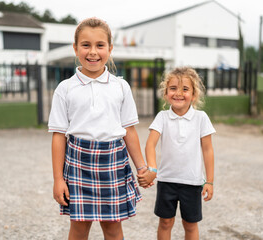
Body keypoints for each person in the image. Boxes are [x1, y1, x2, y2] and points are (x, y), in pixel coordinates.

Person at [48, 17, 147, 240]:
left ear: (110, 49)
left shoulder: (121, 86)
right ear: (75, 48)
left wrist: (141, 167)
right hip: (78, 164)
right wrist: (58, 179)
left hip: (112, 162)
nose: (93, 52)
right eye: (86, 45)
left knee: (112, 228)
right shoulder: (65, 89)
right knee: (79, 228)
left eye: (100, 45)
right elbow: (58, 136)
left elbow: (129, 130)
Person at [138, 67, 215, 240]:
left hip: (192, 182)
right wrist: (152, 170)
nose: (178, 93)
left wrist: (209, 181)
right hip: (167, 181)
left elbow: (208, 150)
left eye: (185, 89)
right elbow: (150, 144)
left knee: (190, 224)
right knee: (165, 222)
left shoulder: (201, 118)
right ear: (165, 93)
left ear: (194, 95)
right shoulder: (162, 117)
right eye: (173, 88)